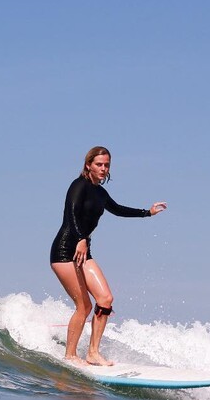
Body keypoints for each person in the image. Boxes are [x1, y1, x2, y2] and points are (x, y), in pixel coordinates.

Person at [50, 146, 167, 366]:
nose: (103, 169)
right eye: (99, 164)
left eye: (107, 165)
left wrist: (147, 213)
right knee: (84, 306)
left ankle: (93, 352)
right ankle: (70, 355)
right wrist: (82, 239)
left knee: (105, 300)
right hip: (65, 250)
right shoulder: (79, 186)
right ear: (88, 165)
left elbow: (118, 209)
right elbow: (70, 214)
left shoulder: (100, 193)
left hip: (83, 251)